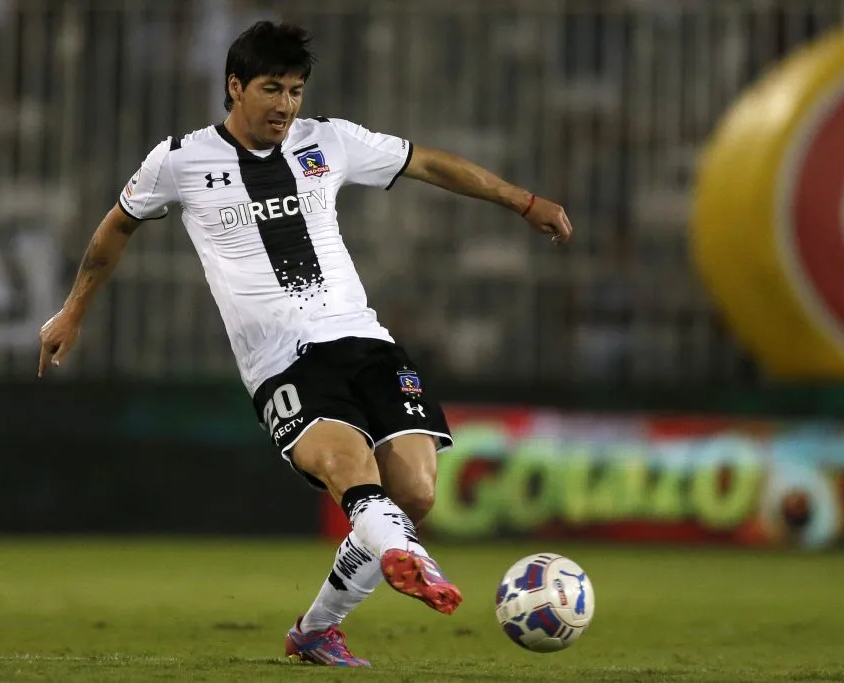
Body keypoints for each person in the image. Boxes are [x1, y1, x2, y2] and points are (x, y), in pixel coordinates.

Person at [37, 21, 573, 666]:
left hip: (363, 339)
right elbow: (115, 229)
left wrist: (522, 200)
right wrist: (72, 312)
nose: (286, 106)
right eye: (272, 89)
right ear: (234, 87)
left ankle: (317, 629)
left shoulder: (330, 142)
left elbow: (427, 162)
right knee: (353, 473)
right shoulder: (178, 160)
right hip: (281, 358)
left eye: (295, 90)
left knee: (418, 492)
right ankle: (410, 557)